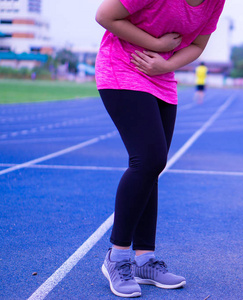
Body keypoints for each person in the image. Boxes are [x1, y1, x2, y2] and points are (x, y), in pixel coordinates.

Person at [95, 0, 225, 297]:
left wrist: (166, 64)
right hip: (123, 69)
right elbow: (105, 15)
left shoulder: (216, 1)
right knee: (148, 159)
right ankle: (117, 257)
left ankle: (144, 259)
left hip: (161, 76)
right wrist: (155, 44)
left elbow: (198, 45)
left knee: (153, 166)